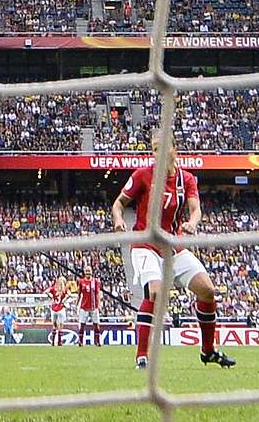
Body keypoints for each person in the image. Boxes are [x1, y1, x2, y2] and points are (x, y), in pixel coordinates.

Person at [111, 136, 235, 370]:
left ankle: (208, 351)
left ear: (174, 149)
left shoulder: (186, 179)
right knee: (156, 293)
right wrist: (118, 220)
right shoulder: (142, 175)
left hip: (173, 245)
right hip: (145, 243)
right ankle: (142, 356)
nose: (157, 153)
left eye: (161, 148)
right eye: (154, 149)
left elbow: (196, 208)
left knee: (207, 290)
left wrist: (192, 223)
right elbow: (118, 204)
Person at [74, 265, 103, 347]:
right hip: (84, 307)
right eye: (86, 271)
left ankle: (97, 342)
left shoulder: (95, 282)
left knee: (96, 325)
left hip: (94, 307)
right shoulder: (81, 282)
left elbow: (97, 294)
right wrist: (77, 304)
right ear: (84, 272)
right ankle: (80, 342)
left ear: (92, 272)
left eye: (89, 271)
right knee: (82, 325)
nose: (88, 273)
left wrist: (99, 304)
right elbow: (79, 294)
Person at [46, 275, 70, 346]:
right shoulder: (64, 289)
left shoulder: (54, 288)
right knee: (60, 326)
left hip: (54, 308)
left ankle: (53, 342)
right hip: (61, 308)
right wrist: (64, 300)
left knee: (54, 325)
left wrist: (52, 297)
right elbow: (69, 294)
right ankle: (59, 342)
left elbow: (46, 291)